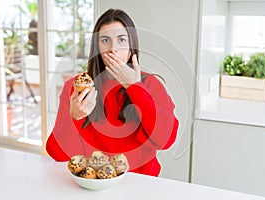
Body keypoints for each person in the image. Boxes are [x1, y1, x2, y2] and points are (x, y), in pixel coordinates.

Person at [46, 8, 179, 177]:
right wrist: (75, 117)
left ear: (131, 47)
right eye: (105, 40)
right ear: (96, 47)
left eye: (121, 40)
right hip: (92, 185)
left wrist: (135, 88)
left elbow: (165, 141)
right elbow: (57, 154)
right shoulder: (76, 88)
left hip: (140, 184)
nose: (113, 49)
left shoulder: (151, 85)